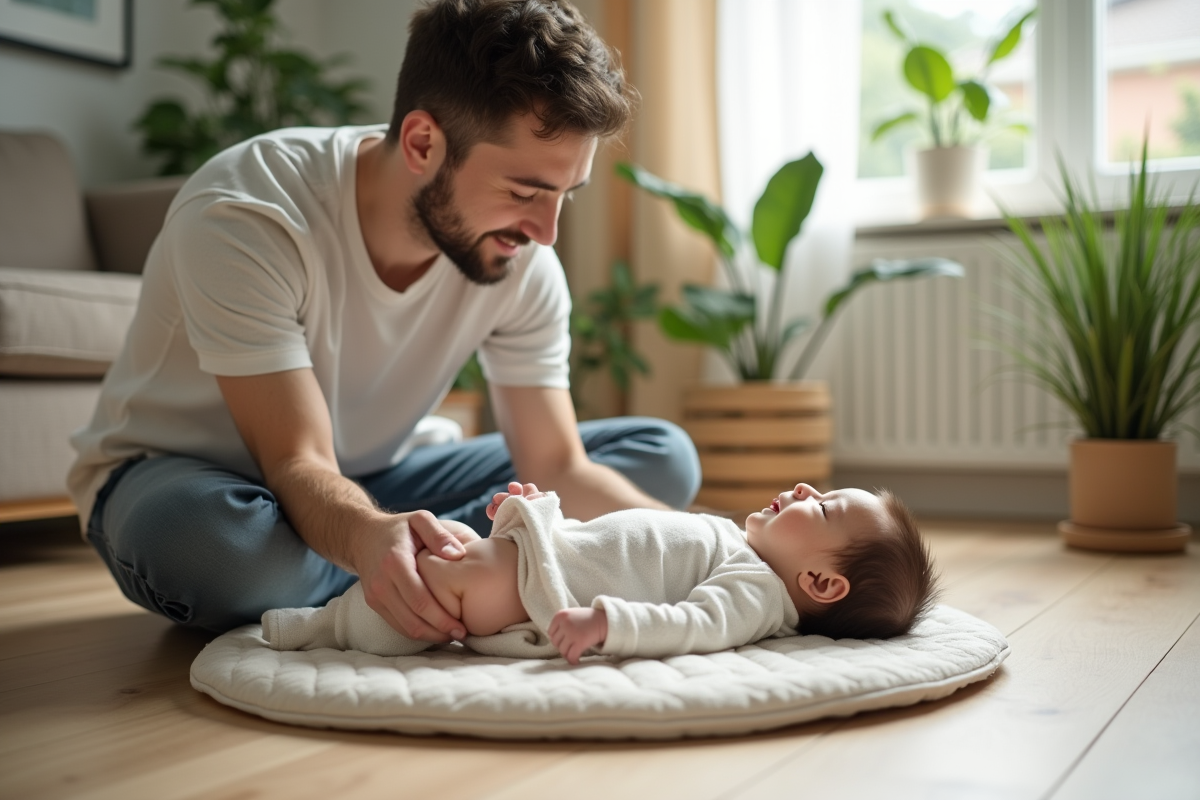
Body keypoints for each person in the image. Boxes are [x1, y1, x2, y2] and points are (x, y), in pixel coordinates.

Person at [67, 0, 700, 637]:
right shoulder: (250, 213)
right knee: (223, 555)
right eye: (524, 191)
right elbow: (296, 462)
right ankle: (468, 563)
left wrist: (721, 545)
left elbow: (557, 466)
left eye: (566, 195)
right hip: (195, 480)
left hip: (371, 474)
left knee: (660, 457)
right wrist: (369, 533)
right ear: (423, 142)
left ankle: (404, 563)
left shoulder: (519, 255)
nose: (546, 231)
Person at [263, 482, 940, 663]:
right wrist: (535, 514)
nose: (800, 488)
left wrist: (608, 624)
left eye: (821, 507)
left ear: (822, 585)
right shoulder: (738, 543)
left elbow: (691, 626)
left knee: (438, 583)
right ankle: (331, 610)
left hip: (537, 590)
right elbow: (612, 544)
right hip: (543, 554)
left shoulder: (755, 593)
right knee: (452, 545)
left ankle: (321, 627)